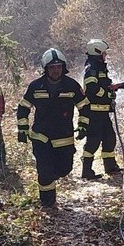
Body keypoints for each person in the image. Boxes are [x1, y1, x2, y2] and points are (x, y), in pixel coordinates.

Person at [15, 47, 88, 210]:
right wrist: (22, 129)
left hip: (64, 137)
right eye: (52, 67)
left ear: (63, 67)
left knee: (65, 168)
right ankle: (47, 203)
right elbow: (23, 108)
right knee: (44, 171)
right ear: (46, 68)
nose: (56, 70)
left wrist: (83, 125)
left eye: (59, 67)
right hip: (41, 137)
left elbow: (84, 106)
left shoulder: (72, 85)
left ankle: (50, 180)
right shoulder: (35, 86)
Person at [79, 38, 124, 179]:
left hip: (102, 112)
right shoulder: (91, 69)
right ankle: (86, 171)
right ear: (97, 53)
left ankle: (110, 167)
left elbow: (104, 85)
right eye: (103, 53)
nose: (105, 55)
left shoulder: (100, 68)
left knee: (109, 139)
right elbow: (92, 90)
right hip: (94, 113)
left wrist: (118, 86)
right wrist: (108, 93)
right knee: (93, 141)